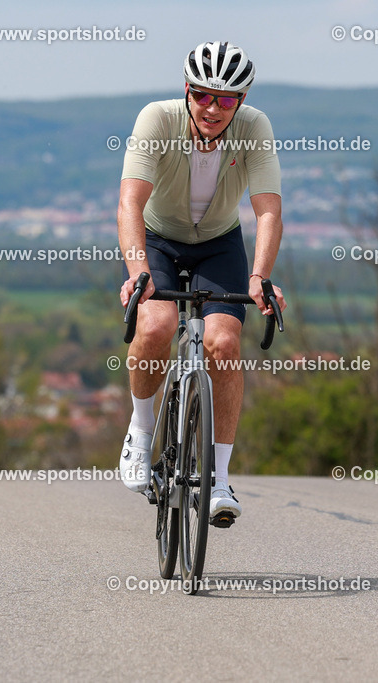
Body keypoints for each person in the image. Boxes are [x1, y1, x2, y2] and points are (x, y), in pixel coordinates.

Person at [117, 41, 286, 526]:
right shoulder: (158, 119)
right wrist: (137, 273)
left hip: (218, 242)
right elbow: (130, 203)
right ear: (186, 91)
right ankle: (141, 431)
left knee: (224, 342)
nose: (213, 108)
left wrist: (260, 277)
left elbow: (268, 209)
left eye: (227, 99)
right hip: (158, 239)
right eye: (203, 95)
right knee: (155, 325)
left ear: (241, 101)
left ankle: (218, 480)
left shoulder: (254, 128)